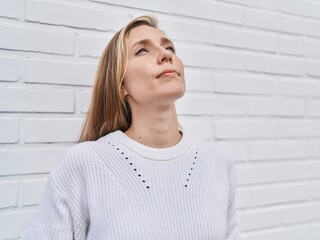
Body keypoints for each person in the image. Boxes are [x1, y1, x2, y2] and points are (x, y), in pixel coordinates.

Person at [22, 15, 239, 240]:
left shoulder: (218, 162)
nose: (166, 55)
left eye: (170, 47)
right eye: (142, 50)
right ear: (121, 85)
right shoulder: (85, 163)